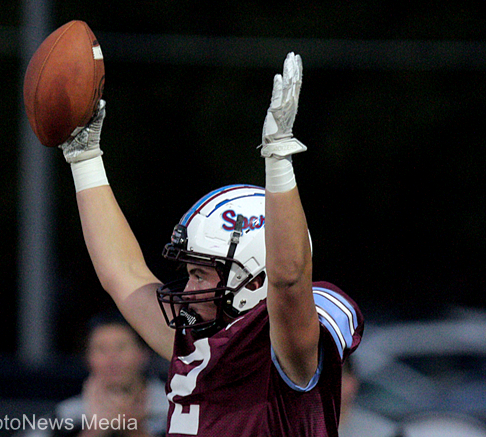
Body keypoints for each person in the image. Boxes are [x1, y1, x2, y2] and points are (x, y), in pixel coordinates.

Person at [56, 52, 364, 436]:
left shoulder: (289, 355)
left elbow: (289, 279)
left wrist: (279, 161)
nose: (188, 288)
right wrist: (84, 159)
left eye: (201, 275)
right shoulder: (195, 340)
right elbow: (123, 274)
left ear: (254, 282)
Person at [19, 312, 167, 437]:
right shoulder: (66, 416)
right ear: (88, 358)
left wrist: (133, 428)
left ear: (144, 354)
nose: (112, 358)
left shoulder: (173, 407)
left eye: (121, 348)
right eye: (101, 349)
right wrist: (96, 429)